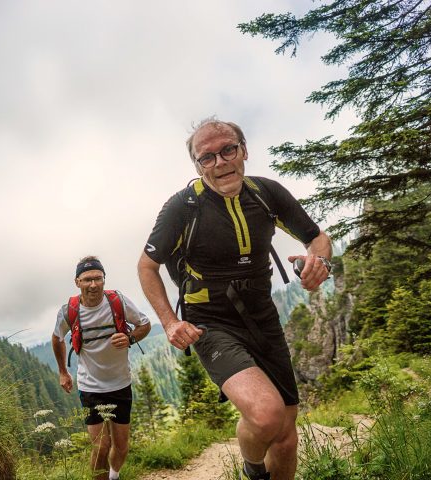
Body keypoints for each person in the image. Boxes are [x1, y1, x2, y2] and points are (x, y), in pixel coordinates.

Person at [137, 119, 332, 480]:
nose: (220, 162)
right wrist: (169, 322)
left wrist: (319, 261)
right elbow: (147, 266)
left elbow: (317, 237)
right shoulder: (184, 206)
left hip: (263, 317)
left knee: (287, 440)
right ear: (197, 166)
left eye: (228, 149)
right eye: (206, 157)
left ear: (244, 150)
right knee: (267, 415)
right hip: (209, 323)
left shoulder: (266, 193)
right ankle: (253, 469)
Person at [52, 256, 151, 480]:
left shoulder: (118, 302)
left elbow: (144, 324)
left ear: (104, 279)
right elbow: (57, 338)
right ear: (77, 282)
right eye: (87, 279)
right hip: (90, 387)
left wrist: (130, 338)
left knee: (122, 447)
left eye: (98, 278)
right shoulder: (69, 310)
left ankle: (114, 476)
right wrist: (62, 372)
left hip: (120, 383)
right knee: (100, 447)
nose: (93, 284)